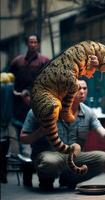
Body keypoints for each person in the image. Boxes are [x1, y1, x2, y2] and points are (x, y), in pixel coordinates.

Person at [20, 79, 105, 190]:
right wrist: (41, 131)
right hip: (50, 154)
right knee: (49, 162)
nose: (82, 91)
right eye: (78, 88)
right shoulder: (44, 110)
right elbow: (23, 138)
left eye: (85, 88)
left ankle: (69, 179)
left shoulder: (88, 112)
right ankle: (46, 179)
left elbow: (103, 135)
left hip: (74, 156)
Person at [8, 34, 49, 186]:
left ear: (38, 44)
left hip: (38, 110)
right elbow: (8, 80)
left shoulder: (44, 61)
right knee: (24, 146)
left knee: (37, 144)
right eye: (30, 42)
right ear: (27, 43)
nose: (33, 44)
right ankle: (27, 179)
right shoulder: (17, 61)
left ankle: (43, 177)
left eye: (35, 42)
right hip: (19, 110)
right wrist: (18, 94)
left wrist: (33, 96)